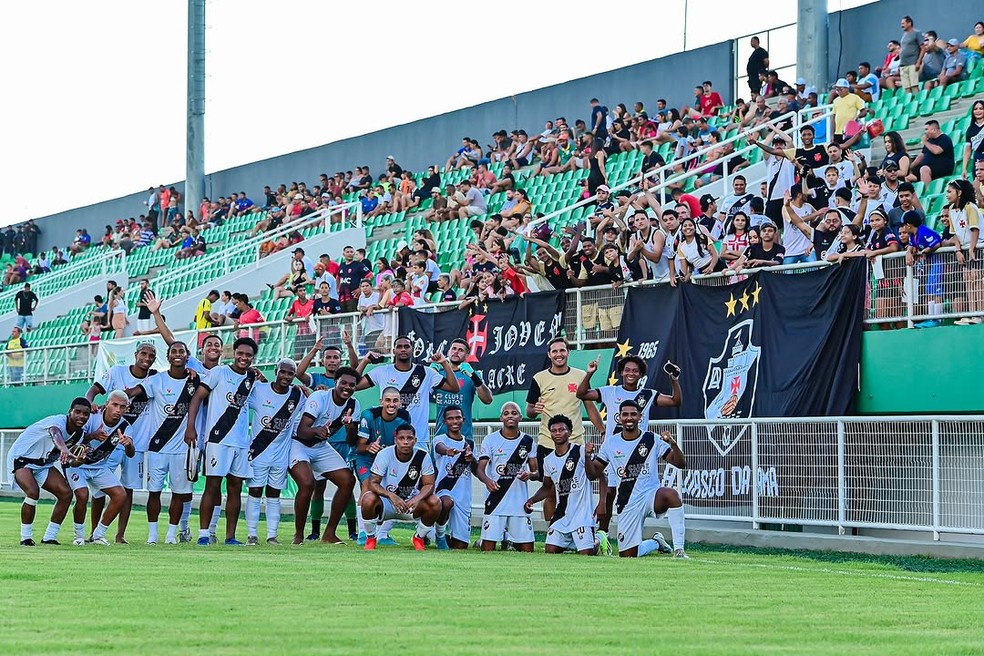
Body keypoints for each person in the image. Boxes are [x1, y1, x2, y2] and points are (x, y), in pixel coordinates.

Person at [577, 354, 682, 538]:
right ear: (621, 373)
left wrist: (674, 380)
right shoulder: (611, 392)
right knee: (609, 492)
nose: (631, 373)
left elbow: (675, 401)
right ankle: (603, 534)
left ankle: (635, 532)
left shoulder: (647, 394)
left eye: (635, 370)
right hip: (614, 451)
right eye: (627, 370)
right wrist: (589, 374)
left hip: (638, 453)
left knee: (633, 494)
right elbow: (582, 394)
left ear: (641, 374)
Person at [585, 400, 689, 558]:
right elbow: (593, 474)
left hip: (650, 496)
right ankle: (656, 542)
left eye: (633, 414)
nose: (629, 418)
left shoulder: (651, 439)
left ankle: (679, 550)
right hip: (627, 502)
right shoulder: (610, 444)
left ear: (640, 417)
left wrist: (673, 444)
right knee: (628, 555)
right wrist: (587, 457)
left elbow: (680, 463)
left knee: (671, 495)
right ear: (619, 418)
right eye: (625, 414)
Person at [184, 337, 259, 546]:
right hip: (217, 438)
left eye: (248, 355)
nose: (244, 358)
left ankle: (230, 537)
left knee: (235, 487)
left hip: (241, 441)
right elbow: (198, 397)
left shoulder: (252, 379)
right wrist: (190, 427)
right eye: (240, 353)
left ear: (253, 358)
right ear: (233, 353)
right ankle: (203, 534)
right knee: (212, 485)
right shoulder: (219, 372)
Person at [123, 341, 199, 545]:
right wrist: (123, 394)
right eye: (173, 351)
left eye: (181, 351)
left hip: (182, 448)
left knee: (179, 493)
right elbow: (135, 391)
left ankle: (171, 535)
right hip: (157, 447)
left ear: (187, 355)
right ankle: (152, 536)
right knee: (154, 492)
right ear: (168, 356)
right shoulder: (157, 380)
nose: (177, 354)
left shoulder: (195, 380)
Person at [84, 341, 157, 543]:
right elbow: (94, 389)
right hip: (109, 443)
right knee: (99, 489)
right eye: (143, 354)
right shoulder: (117, 372)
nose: (147, 359)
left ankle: (120, 535)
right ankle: (93, 532)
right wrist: (89, 402)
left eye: (151, 356)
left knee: (128, 489)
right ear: (135, 354)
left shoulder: (155, 378)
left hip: (136, 442)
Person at [525, 337, 602, 520]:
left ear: (568, 352)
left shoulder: (580, 376)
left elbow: (590, 407)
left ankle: (579, 528)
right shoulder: (539, 378)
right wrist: (533, 410)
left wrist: (603, 430)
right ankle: (553, 532)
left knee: (577, 487)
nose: (559, 354)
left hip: (575, 442)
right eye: (554, 351)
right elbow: (529, 410)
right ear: (549, 355)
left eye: (562, 350)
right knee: (550, 489)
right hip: (547, 442)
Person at [6, 398, 91, 545]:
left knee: (66, 494)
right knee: (33, 492)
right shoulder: (57, 421)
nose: (81, 416)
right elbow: (55, 433)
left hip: (43, 464)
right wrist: (63, 448)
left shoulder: (79, 434)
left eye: (86, 414)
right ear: (69, 412)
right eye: (77, 412)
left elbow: (70, 461)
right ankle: (25, 538)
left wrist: (79, 460)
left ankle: (49, 537)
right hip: (22, 458)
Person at [291, 366, 360, 545]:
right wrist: (316, 430)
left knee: (348, 481)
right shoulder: (319, 397)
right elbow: (302, 430)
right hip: (298, 444)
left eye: (351, 385)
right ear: (335, 383)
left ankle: (329, 534)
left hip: (321, 446)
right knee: (307, 484)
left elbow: (352, 441)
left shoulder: (354, 405)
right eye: (343, 383)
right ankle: (298, 535)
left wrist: (351, 427)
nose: (347, 387)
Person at [242, 359, 307, 546]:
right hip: (258, 451)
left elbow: (298, 421)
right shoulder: (259, 390)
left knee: (274, 494)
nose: (286, 376)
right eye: (283, 372)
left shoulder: (297, 396)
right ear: (276, 371)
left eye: (290, 373)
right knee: (254, 492)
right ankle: (252, 535)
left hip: (281, 454)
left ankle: (272, 536)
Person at [356, 335, 459, 449]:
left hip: (418, 438)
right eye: (399, 347)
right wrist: (365, 361)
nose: (403, 349)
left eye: (406, 346)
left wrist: (444, 363)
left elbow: (454, 388)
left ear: (413, 349)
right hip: (389, 439)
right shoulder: (382, 371)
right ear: (394, 350)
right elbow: (355, 385)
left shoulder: (426, 373)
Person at [67, 390, 136, 546]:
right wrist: (93, 435)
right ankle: (78, 536)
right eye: (115, 405)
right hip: (79, 465)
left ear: (126, 409)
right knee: (82, 496)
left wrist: (128, 444)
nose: (118, 410)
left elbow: (131, 454)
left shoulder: (126, 426)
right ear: (107, 404)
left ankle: (98, 535)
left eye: (122, 407)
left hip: (99, 467)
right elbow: (74, 439)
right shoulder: (91, 418)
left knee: (120, 495)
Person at [525, 414, 599, 555]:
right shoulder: (548, 460)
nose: (557, 433)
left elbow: (595, 475)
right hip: (561, 516)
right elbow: (547, 487)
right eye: (554, 430)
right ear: (550, 434)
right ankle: (573, 543)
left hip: (582, 516)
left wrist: (601, 503)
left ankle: (597, 541)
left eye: (561, 429)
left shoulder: (581, 451)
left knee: (587, 554)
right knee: (550, 551)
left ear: (569, 432)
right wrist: (532, 500)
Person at [361, 423, 440, 551]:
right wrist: (391, 495)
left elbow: (429, 484)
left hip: (411, 505)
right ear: (395, 440)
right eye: (401, 438)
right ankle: (370, 538)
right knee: (368, 498)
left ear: (415, 440)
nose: (405, 442)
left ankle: (418, 538)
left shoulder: (423, 456)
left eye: (409, 438)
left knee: (435, 502)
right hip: (387, 504)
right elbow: (372, 483)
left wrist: (417, 499)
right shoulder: (384, 454)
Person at [354, 387, 413, 545]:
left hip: (389, 458)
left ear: (400, 402)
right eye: (388, 400)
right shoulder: (369, 415)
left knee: (395, 490)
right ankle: (362, 534)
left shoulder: (404, 416)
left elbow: (404, 441)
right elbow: (359, 447)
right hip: (366, 458)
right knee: (367, 488)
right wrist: (369, 447)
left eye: (395, 401)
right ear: (381, 402)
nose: (391, 404)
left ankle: (383, 534)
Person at [476, 403, 538, 552]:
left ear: (520, 417)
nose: (510, 415)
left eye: (514, 413)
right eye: (506, 413)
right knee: (488, 549)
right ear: (501, 418)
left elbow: (537, 472)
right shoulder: (490, 440)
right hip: (496, 500)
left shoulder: (528, 441)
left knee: (528, 550)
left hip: (519, 503)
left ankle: (510, 542)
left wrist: (530, 475)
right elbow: (480, 469)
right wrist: (488, 481)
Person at [431, 338, 493, 441]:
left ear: (467, 356)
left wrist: (474, 376)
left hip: (464, 436)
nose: (456, 352)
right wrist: (430, 372)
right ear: (448, 352)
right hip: (440, 436)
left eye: (461, 350)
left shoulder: (471, 374)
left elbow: (488, 399)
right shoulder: (438, 373)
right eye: (454, 348)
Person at [432, 405, 475, 550]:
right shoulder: (439, 439)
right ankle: (439, 535)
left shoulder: (470, 444)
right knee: (446, 502)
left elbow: (476, 470)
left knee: (461, 546)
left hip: (463, 496)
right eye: (450, 418)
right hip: (444, 489)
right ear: (444, 422)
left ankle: (442, 537)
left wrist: (471, 458)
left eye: (458, 417)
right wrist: (448, 451)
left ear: (463, 419)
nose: (454, 421)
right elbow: (440, 448)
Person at [908, 120, 955, 185]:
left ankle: (927, 192)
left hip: (941, 168)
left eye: (926, 129)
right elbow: (921, 156)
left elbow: (936, 151)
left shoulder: (945, 138)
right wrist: (910, 167)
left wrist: (925, 142)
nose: (925, 132)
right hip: (927, 168)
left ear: (933, 130)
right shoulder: (929, 141)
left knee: (924, 169)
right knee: (907, 176)